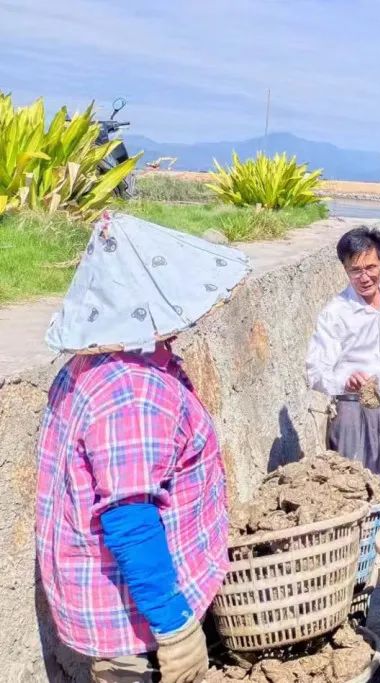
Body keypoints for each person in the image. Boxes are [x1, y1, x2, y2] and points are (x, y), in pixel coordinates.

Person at [37, 212, 248, 682]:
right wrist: (175, 629)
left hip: (128, 607)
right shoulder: (132, 392)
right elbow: (129, 518)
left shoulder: (92, 366)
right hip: (133, 622)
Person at [307, 227, 380, 497]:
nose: (364, 277)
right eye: (355, 270)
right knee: (353, 483)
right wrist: (345, 381)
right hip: (352, 408)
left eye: (371, 267)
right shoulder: (336, 313)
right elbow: (315, 372)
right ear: (345, 269)